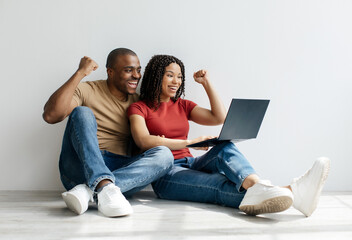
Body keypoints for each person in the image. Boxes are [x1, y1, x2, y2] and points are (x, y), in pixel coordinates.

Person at [127, 54, 330, 216]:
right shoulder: (139, 107)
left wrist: (206, 82)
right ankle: (293, 192)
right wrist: (188, 142)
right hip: (167, 175)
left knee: (224, 147)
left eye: (180, 76)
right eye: (170, 75)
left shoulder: (182, 105)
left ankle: (259, 186)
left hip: (190, 162)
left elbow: (219, 117)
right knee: (218, 184)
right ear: (156, 76)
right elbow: (143, 141)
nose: (176, 81)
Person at [42, 48, 174, 217]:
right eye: (128, 70)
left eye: (138, 70)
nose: (136, 75)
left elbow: (143, 143)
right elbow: (51, 115)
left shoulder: (139, 103)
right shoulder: (88, 89)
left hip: (117, 169)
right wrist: (80, 72)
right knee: (82, 112)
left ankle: (88, 190)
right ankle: (103, 185)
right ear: (110, 72)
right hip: (81, 167)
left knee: (165, 155)